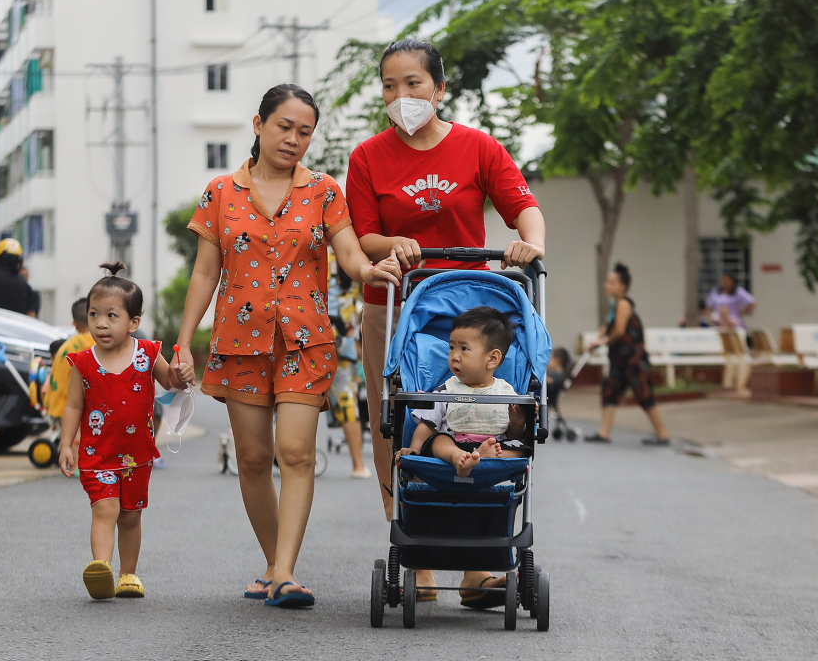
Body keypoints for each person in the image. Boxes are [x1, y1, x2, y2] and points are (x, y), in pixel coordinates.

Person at [173, 84, 401, 609]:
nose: (294, 139)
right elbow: (206, 272)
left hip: (304, 339)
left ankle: (284, 573)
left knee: (295, 453)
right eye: (284, 127)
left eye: (304, 132)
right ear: (258, 124)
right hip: (240, 341)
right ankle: (275, 565)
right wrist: (184, 342)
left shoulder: (323, 190)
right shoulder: (220, 193)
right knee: (253, 460)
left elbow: (348, 252)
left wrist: (370, 269)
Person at [345, 38, 546, 605]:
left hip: (466, 315)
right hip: (393, 306)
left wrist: (531, 245)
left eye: (413, 84)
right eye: (389, 85)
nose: (401, 95)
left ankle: (479, 558)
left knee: (475, 418)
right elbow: (363, 235)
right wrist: (392, 241)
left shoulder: (478, 148)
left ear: (438, 88)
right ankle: (415, 547)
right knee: (397, 419)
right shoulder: (368, 157)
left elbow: (523, 208)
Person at [58, 262, 179, 600]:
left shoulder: (148, 353)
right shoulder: (82, 363)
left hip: (138, 455)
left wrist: (180, 377)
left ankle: (129, 574)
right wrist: (66, 443)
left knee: (130, 516)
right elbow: (72, 407)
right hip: (98, 455)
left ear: (133, 322)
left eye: (112, 316)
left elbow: (169, 381)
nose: (100, 323)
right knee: (105, 509)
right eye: (94, 314)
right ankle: (101, 567)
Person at [401, 308, 529, 476]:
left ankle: (486, 457)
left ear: (492, 359)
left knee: (522, 448)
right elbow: (427, 424)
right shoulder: (447, 391)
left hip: (494, 447)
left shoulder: (506, 392)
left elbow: (513, 434)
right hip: (455, 444)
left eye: (464, 349)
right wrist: (414, 450)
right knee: (438, 440)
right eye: (452, 347)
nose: (454, 356)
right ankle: (459, 458)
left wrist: (517, 422)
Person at [584, 263, 670, 445]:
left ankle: (662, 435)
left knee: (644, 395)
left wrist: (602, 342)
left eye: (612, 282)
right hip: (618, 360)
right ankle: (604, 433)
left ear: (622, 286)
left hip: (633, 360)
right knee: (610, 392)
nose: (608, 285)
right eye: (607, 282)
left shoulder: (623, 304)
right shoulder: (614, 306)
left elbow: (619, 331)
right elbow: (607, 327)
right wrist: (596, 340)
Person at [328, 314, 370, 478]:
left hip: (331, 324)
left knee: (345, 399)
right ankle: (358, 465)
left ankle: (358, 465)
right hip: (335, 327)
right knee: (345, 399)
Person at [45, 297, 94, 420]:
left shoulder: (65, 350)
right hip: (100, 415)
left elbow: (56, 383)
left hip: (68, 415)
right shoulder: (106, 345)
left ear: (74, 324)